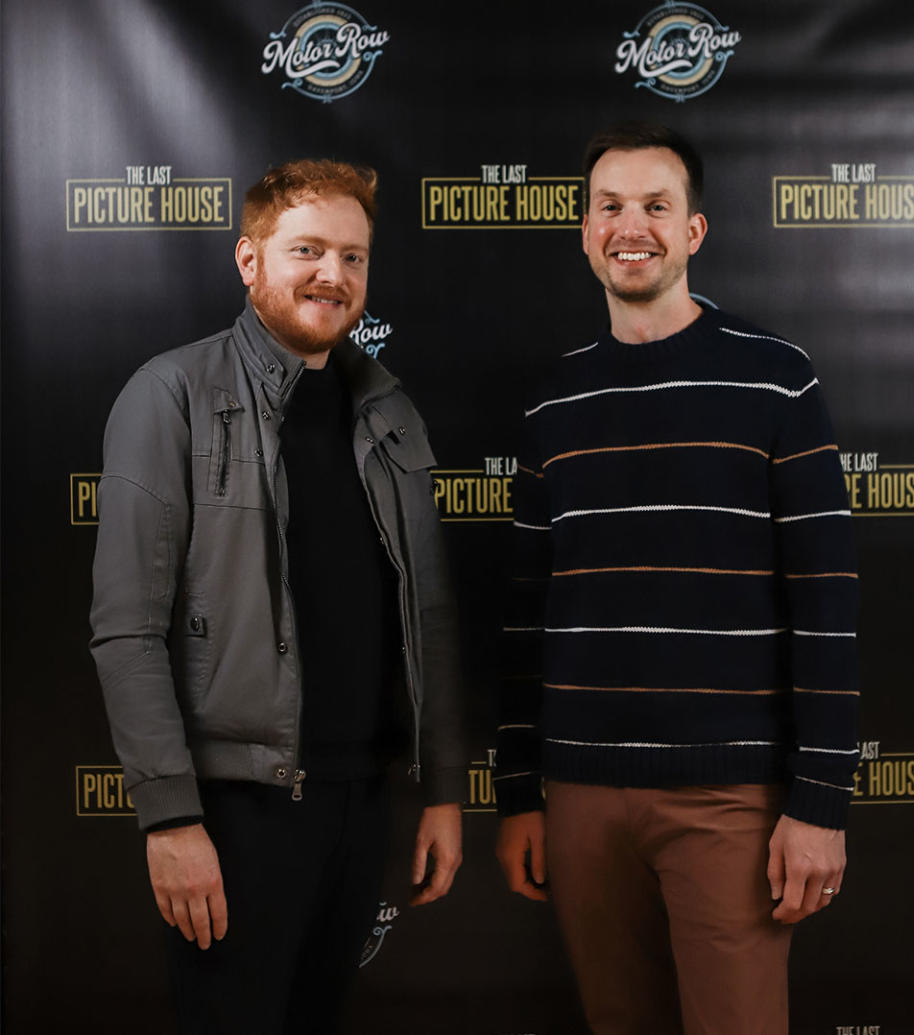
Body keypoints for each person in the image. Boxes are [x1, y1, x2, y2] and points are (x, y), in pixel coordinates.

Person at [494, 122, 859, 1035]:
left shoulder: (777, 382)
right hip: (580, 799)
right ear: (584, 231)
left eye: (657, 205)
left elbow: (828, 604)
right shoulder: (552, 404)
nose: (632, 226)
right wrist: (515, 791)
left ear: (693, 231)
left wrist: (818, 800)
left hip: (729, 799)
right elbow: (525, 617)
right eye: (610, 206)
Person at [90, 159, 465, 1035]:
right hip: (235, 812)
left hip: (360, 802)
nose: (333, 275)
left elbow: (430, 617)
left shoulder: (389, 411)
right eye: (307, 250)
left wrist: (443, 787)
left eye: (354, 256)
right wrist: (171, 817)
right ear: (249, 259)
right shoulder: (171, 394)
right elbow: (127, 630)